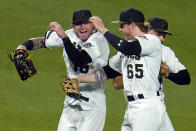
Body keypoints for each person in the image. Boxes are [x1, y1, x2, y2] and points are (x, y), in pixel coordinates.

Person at [17, 9, 110, 131]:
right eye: (78, 24)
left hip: (93, 104)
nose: (82, 27)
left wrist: (63, 37)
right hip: (70, 102)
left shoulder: (99, 40)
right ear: (73, 26)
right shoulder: (70, 34)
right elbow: (44, 42)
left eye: (86, 23)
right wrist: (23, 47)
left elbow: (80, 59)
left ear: (93, 24)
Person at [75, 8, 167, 131]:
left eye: (122, 25)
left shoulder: (151, 40)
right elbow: (107, 71)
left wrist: (103, 29)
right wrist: (78, 80)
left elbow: (128, 48)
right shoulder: (123, 51)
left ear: (133, 25)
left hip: (147, 105)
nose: (119, 29)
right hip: (132, 107)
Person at [112, 17, 191, 131]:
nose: (162, 39)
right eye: (159, 34)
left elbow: (185, 78)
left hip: (153, 105)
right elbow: (116, 84)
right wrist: (139, 76)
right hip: (136, 107)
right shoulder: (127, 49)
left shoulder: (164, 51)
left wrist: (167, 73)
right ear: (147, 30)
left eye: (164, 35)